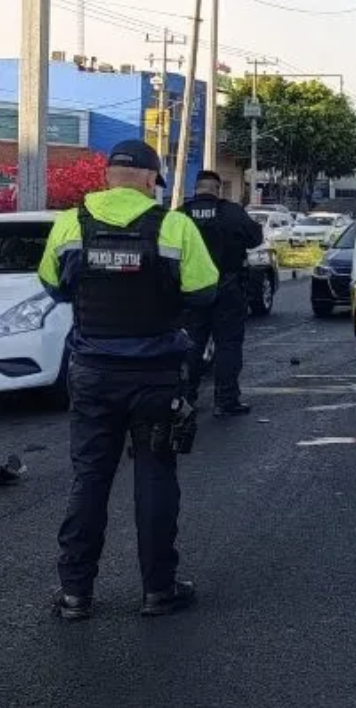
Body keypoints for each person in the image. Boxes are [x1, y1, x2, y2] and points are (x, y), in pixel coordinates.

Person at [38, 139, 219, 621]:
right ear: (148, 179)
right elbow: (204, 292)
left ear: (107, 176)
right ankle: (159, 590)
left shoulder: (70, 223)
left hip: (93, 373)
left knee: (89, 479)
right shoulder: (173, 226)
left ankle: (75, 594)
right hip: (156, 375)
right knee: (156, 476)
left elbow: (54, 285)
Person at [179, 170, 264, 416]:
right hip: (228, 286)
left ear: (196, 188)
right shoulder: (231, 212)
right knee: (228, 345)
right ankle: (226, 401)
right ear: (217, 189)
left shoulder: (182, 215)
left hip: (192, 289)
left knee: (192, 344)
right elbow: (255, 237)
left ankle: (186, 397)